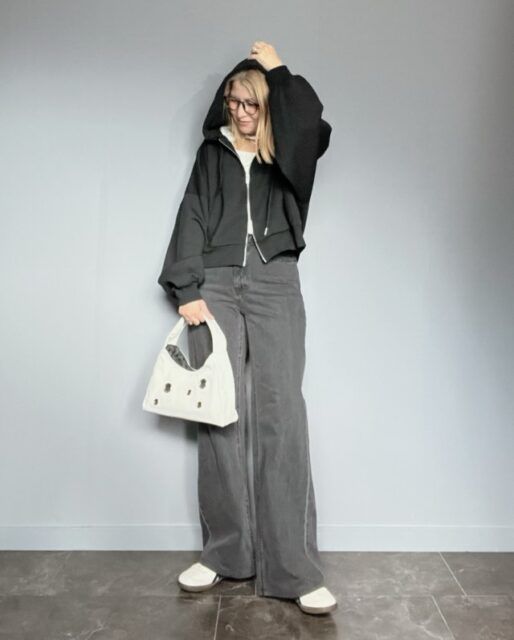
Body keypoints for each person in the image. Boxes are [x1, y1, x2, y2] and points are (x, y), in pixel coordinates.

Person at [157, 41, 335, 615]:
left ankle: (294, 568)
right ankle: (226, 552)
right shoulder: (213, 153)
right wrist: (186, 287)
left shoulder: (291, 152)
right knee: (219, 414)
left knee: (282, 415)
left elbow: (310, 120)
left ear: (267, 104)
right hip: (215, 283)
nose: (240, 112)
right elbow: (192, 212)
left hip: (274, 279)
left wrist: (278, 71)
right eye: (233, 102)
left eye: (251, 103)